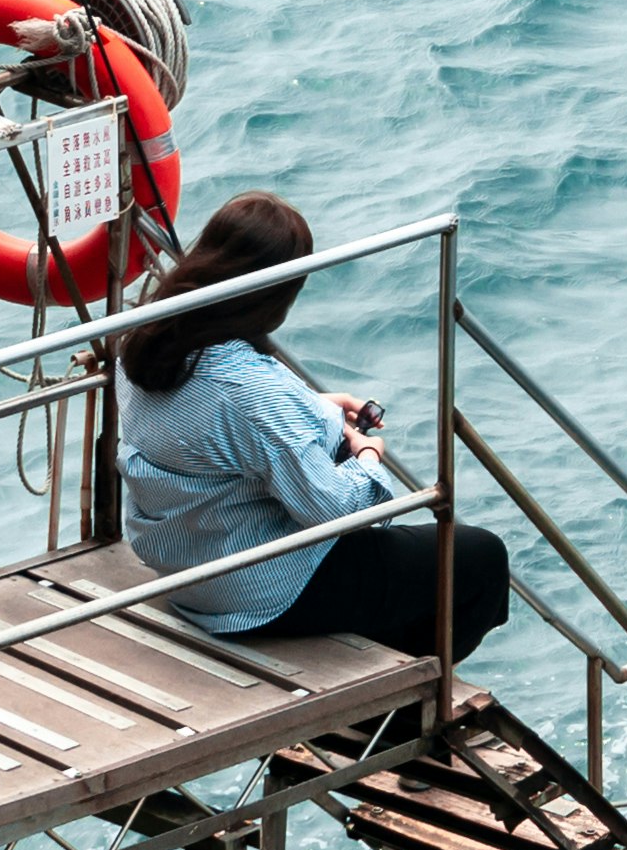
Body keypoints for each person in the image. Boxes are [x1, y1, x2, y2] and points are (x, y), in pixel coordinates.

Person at [113, 191, 510, 662]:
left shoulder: (147, 342)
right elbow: (335, 510)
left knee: (408, 566)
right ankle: (396, 703)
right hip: (259, 590)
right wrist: (367, 455)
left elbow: (210, 431)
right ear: (277, 291)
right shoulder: (249, 392)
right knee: (481, 559)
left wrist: (318, 409)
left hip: (187, 569)